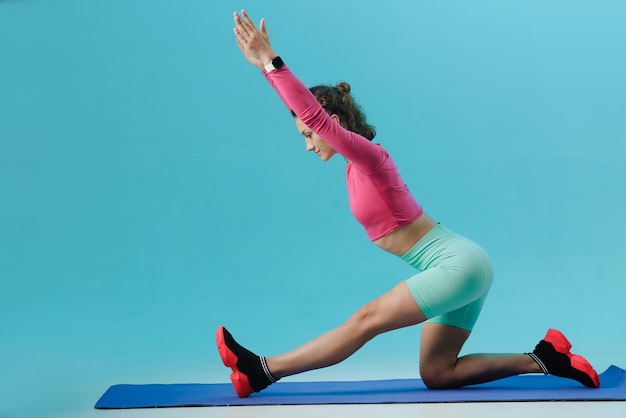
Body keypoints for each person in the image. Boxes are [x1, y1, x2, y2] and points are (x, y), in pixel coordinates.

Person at [216, 9, 600, 398]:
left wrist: (270, 63)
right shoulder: (354, 166)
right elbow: (314, 118)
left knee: (364, 321)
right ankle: (545, 358)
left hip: (456, 266)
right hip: (463, 264)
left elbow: (314, 117)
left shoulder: (370, 157)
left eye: (308, 134)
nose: (308, 145)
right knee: (438, 372)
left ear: (330, 121)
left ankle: (262, 370)